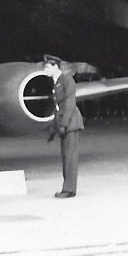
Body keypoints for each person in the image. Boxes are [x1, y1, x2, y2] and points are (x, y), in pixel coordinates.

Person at [43, 54, 84, 198]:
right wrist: (54, 129)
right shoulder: (57, 82)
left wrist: (64, 124)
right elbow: (58, 107)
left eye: (47, 67)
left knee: (70, 157)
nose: (45, 70)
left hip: (71, 123)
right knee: (66, 156)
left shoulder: (66, 80)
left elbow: (69, 104)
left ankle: (69, 190)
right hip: (65, 123)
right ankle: (67, 188)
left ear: (55, 66)